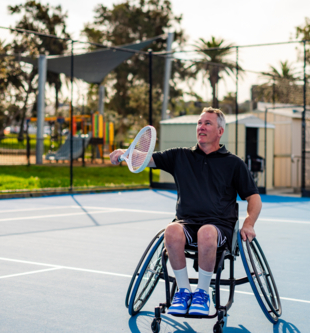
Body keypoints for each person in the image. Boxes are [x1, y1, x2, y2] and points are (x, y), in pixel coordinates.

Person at [110, 107, 262, 316]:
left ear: (220, 131)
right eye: (199, 123)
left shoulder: (234, 163)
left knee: (206, 232)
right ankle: (183, 292)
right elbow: (148, 159)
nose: (201, 127)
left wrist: (249, 223)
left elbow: (254, 198)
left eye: (207, 123)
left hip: (219, 227)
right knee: (171, 230)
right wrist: (125, 154)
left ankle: (202, 293)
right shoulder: (180, 156)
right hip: (187, 224)